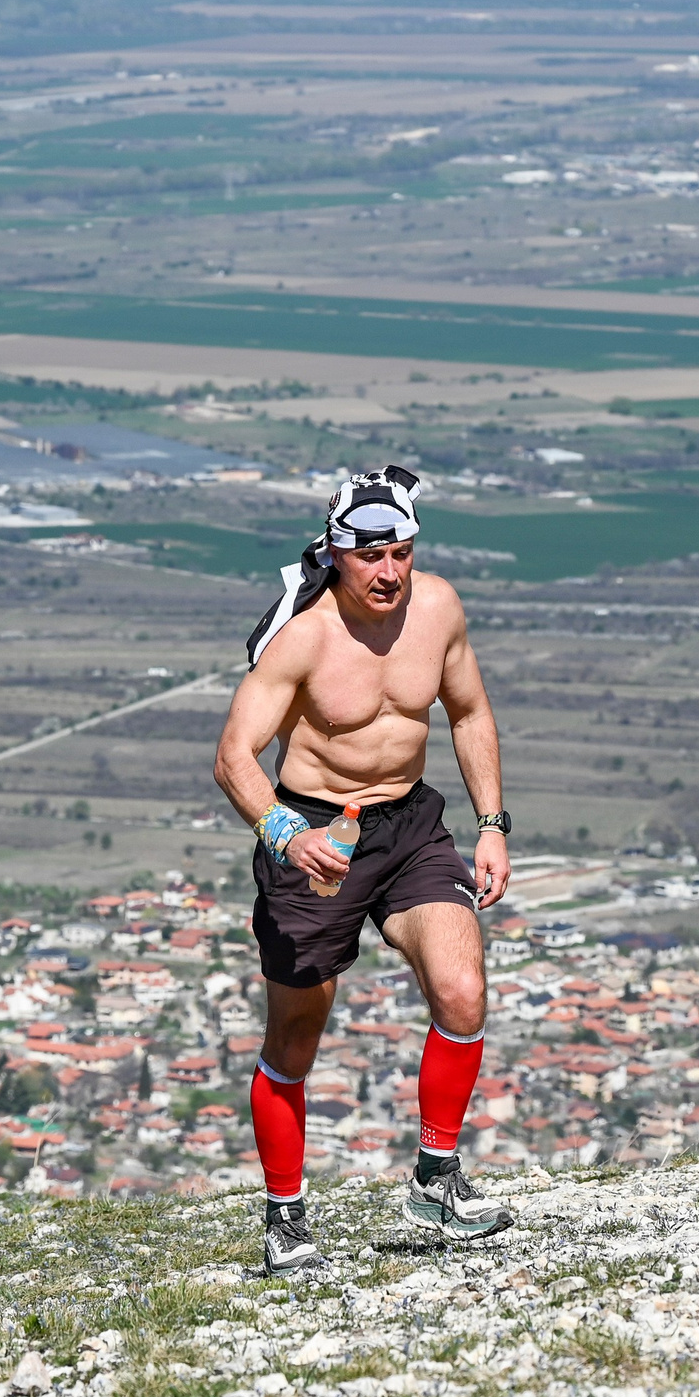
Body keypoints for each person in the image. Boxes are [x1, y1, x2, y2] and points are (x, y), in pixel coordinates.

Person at [216, 465, 515, 1273]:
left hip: (410, 822)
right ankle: (286, 1219)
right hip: (314, 835)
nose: (389, 572)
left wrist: (490, 823)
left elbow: (469, 710)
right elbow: (233, 756)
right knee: (296, 1039)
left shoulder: (439, 608)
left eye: (403, 552)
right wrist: (283, 832)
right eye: (371, 554)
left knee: (462, 988)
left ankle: (437, 1175)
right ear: (336, 553)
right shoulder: (303, 636)